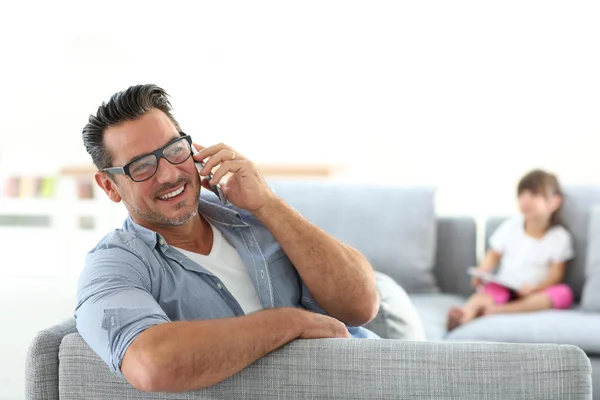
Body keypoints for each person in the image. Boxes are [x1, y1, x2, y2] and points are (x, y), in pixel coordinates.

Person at [75, 84, 381, 393]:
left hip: (377, 377)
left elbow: (361, 305)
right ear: (109, 186)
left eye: (174, 149)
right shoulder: (115, 265)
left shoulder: (252, 212)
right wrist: (292, 322)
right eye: (140, 165)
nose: (168, 174)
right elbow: (151, 365)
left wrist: (268, 204)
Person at [447, 169, 575, 331]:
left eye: (534, 194)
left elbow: (556, 274)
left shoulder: (559, 237)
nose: (525, 200)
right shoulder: (511, 227)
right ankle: (465, 314)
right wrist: (482, 271)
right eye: (521, 194)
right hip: (506, 285)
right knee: (487, 293)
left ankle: (498, 311)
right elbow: (493, 255)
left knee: (563, 293)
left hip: (534, 291)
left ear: (554, 202)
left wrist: (537, 288)